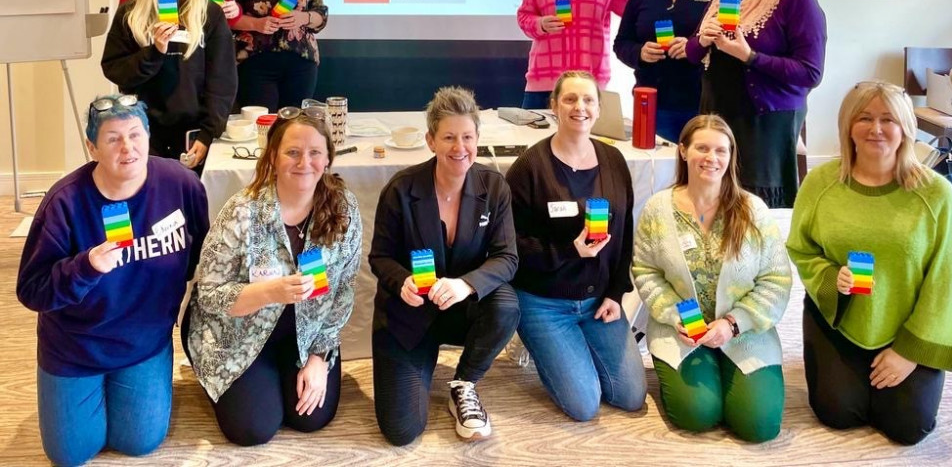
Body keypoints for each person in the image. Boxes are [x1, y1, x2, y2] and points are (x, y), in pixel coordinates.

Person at [16, 95, 209, 466]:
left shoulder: (181, 185)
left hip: (145, 342)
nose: (128, 148)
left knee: (139, 442)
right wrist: (84, 267)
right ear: (91, 148)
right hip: (76, 348)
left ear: (149, 135)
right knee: (70, 455)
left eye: (136, 135)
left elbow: (200, 254)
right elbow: (31, 290)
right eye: (112, 139)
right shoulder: (65, 202)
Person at [786, 81, 952, 445]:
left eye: (889, 119)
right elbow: (800, 248)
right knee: (838, 413)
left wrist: (908, 351)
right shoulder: (820, 183)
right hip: (840, 318)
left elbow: (948, 278)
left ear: (905, 129)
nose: (876, 129)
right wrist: (829, 276)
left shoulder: (935, 193)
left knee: (907, 427)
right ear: (847, 126)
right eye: (864, 118)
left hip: (907, 325)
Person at [185, 107, 362, 446]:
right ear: (274, 157)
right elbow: (208, 296)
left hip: (305, 335)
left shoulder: (344, 209)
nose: (303, 162)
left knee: (310, 418)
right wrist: (270, 292)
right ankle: (233, 375)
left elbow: (343, 290)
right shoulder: (242, 210)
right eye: (292, 152)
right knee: (252, 429)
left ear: (327, 159)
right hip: (236, 332)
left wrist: (317, 359)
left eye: (314, 153)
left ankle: (287, 371)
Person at [369, 86, 519, 444]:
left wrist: (465, 284)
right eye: (449, 137)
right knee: (401, 432)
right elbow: (379, 257)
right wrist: (402, 280)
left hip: (461, 307)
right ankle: (420, 362)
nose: (460, 147)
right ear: (430, 140)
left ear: (478, 138)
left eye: (467, 136)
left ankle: (463, 382)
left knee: (507, 305)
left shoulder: (494, 186)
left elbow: (507, 258)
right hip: (409, 313)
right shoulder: (401, 189)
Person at [632, 114, 791, 442]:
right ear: (683, 151)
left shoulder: (753, 211)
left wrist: (734, 323)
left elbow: (776, 281)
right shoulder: (657, 210)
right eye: (702, 148)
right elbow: (645, 271)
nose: (712, 158)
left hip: (744, 331)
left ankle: (730, 371)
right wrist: (675, 315)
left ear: (731, 156)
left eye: (721, 150)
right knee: (697, 415)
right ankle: (705, 376)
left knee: (759, 425)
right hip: (683, 332)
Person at [505, 70, 646, 421]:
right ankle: (547, 344)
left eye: (588, 100)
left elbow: (624, 235)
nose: (579, 107)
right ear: (553, 106)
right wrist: (569, 251)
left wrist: (616, 293)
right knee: (584, 406)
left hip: (599, 300)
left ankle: (578, 349)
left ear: (599, 109)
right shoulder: (529, 168)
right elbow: (509, 248)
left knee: (631, 396)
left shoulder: (614, 162)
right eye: (569, 99)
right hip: (544, 302)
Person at [685, 0, 827, 208]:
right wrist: (703, 40)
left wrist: (749, 56)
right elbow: (692, 53)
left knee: (755, 207)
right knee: (712, 197)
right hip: (717, 114)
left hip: (765, 124)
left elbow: (810, 73)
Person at [102, 0, 237, 171]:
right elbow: (115, 70)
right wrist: (154, 52)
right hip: (143, 134)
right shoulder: (130, 13)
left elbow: (223, 81)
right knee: (151, 205)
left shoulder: (210, 14)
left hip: (193, 137)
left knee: (191, 204)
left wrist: (207, 134)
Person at [614, 0, 733, 143]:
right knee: (655, 175)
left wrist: (696, 47)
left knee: (701, 173)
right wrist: (640, 53)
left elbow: (735, 38)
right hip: (652, 104)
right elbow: (622, 43)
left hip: (706, 105)